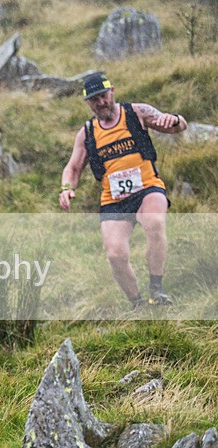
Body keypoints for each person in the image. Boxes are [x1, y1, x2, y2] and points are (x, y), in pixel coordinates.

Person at [60, 72, 187, 309]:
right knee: (115, 255)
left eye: (104, 96)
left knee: (155, 223)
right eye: (94, 99)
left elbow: (175, 125)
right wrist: (66, 188)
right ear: (87, 102)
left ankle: (157, 290)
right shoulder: (87, 133)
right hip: (114, 200)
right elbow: (74, 167)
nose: (101, 103)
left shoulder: (137, 112)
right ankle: (137, 303)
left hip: (147, 188)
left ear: (112, 91)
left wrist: (176, 120)